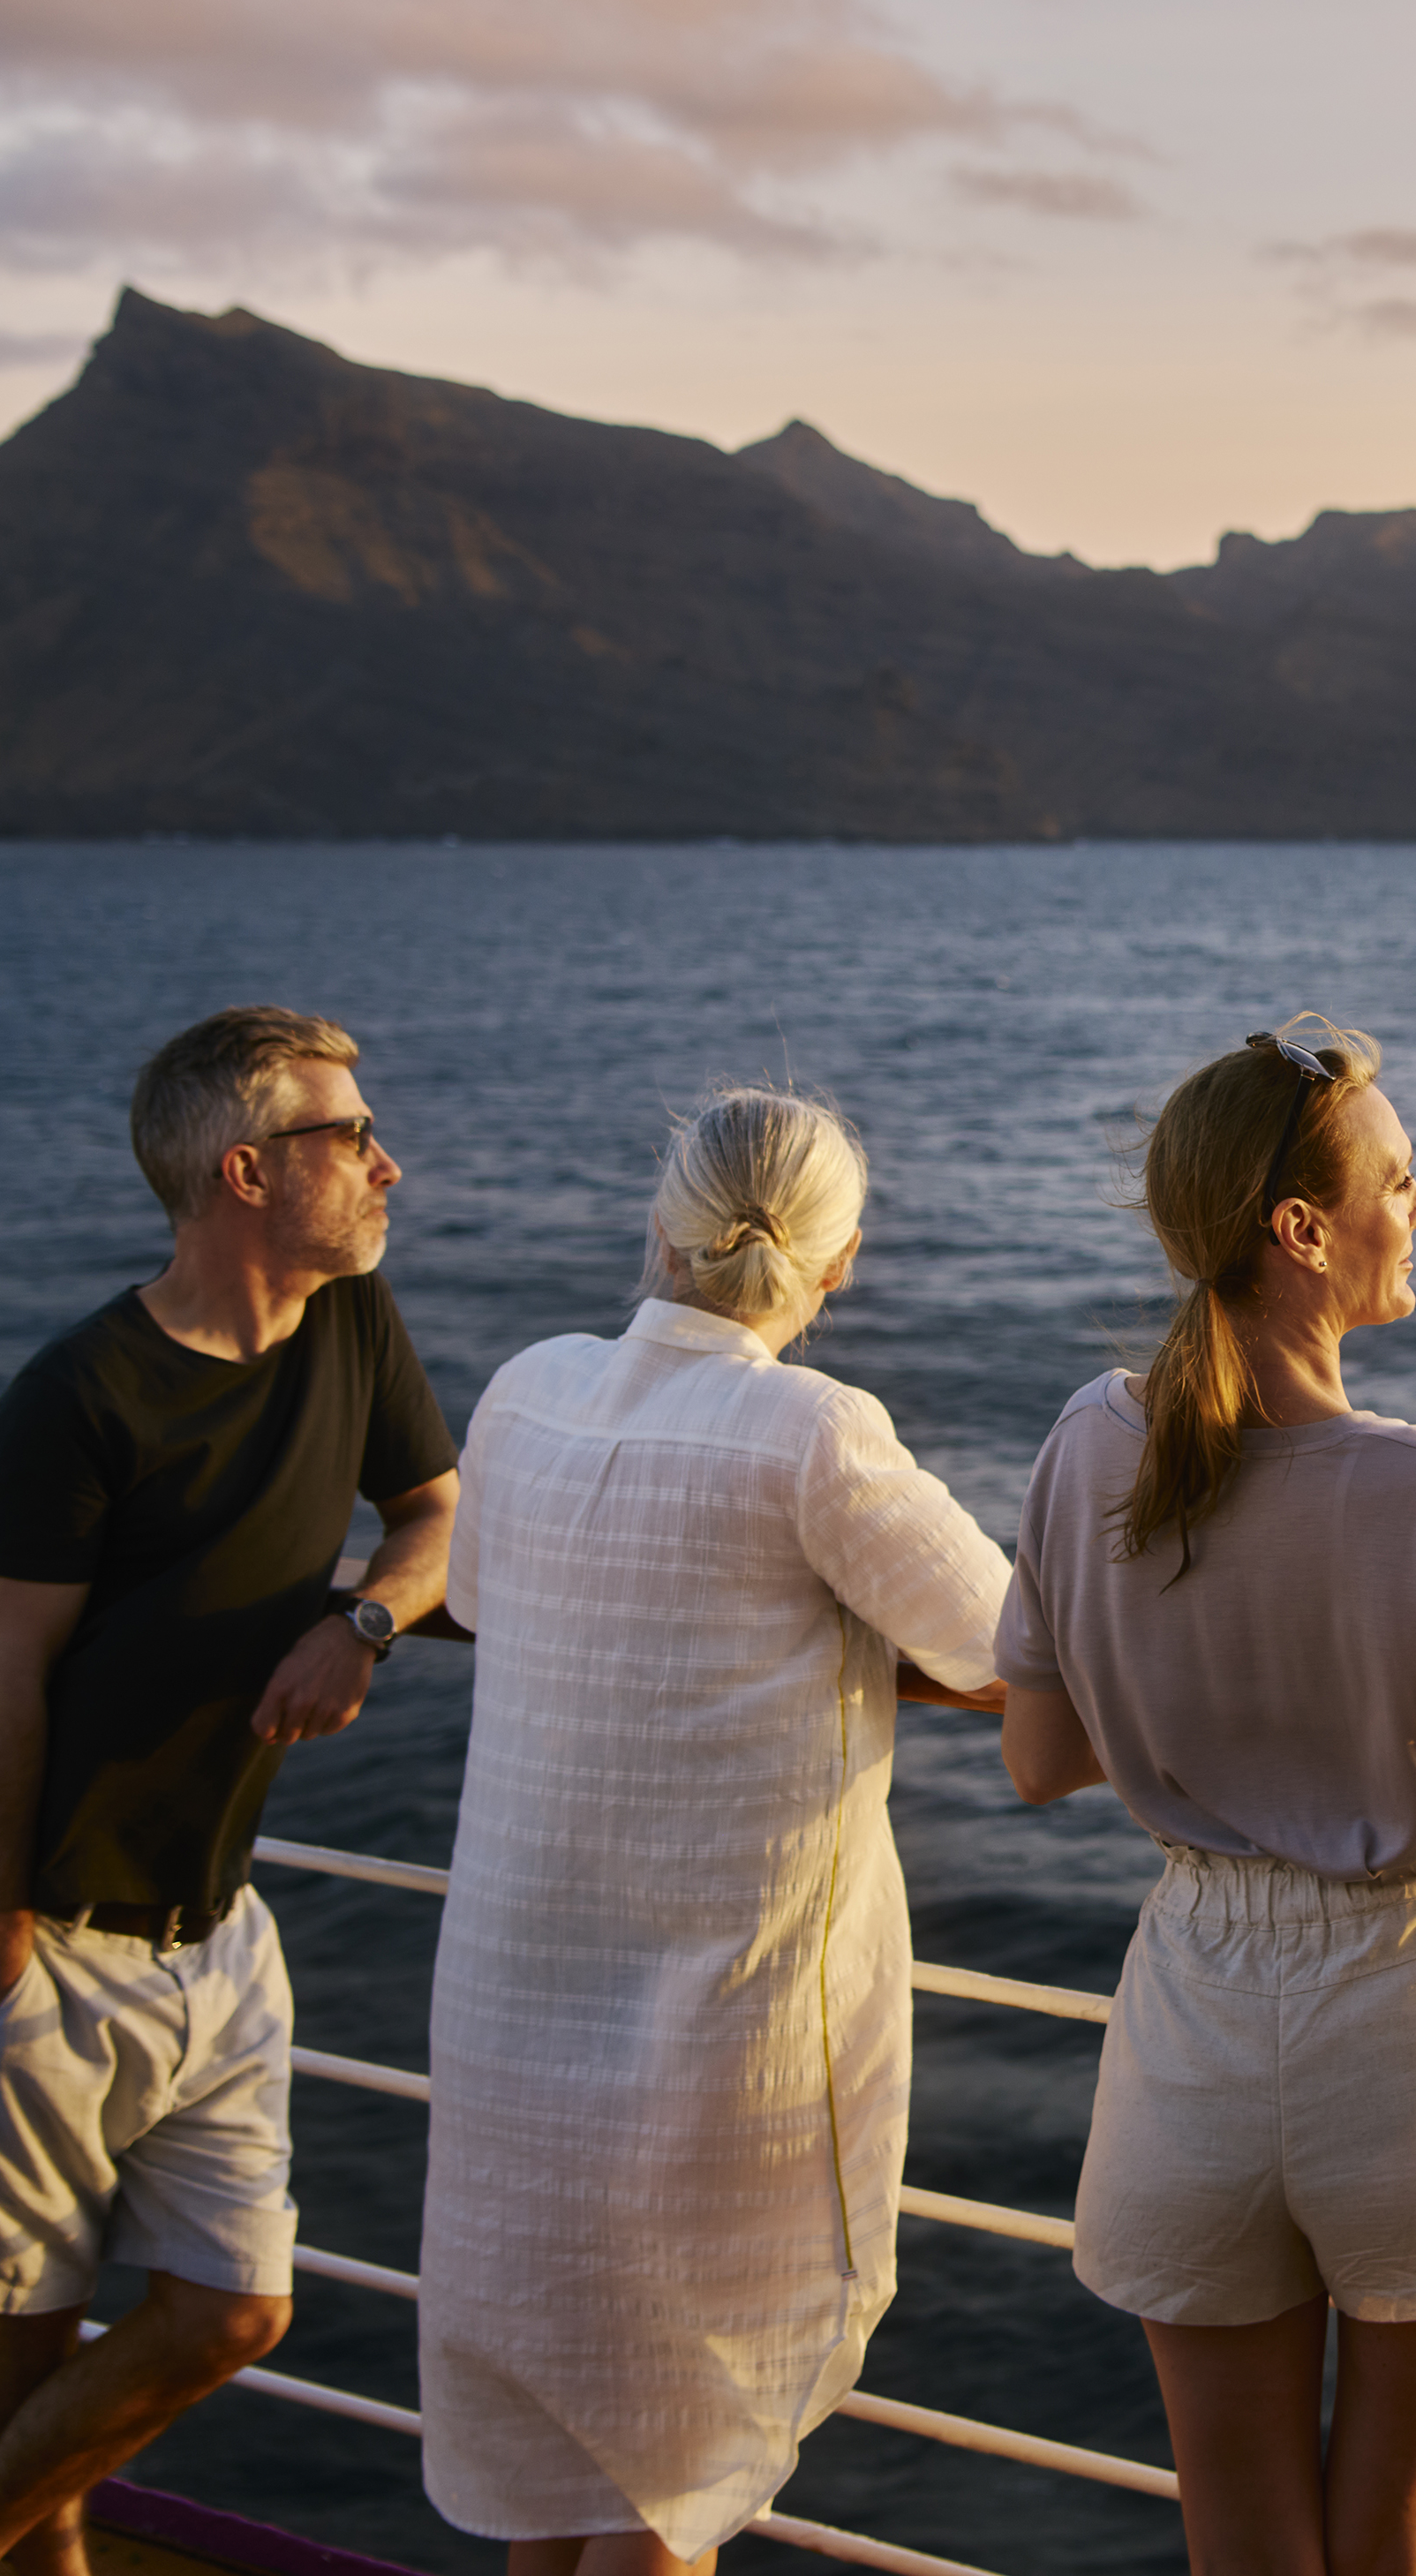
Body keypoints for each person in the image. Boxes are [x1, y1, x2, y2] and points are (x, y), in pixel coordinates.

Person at [997, 1014, 1416, 2576]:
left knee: (1239, 2539)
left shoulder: (1088, 1442)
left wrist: (1208, 1709)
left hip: (1195, 2018)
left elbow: (1039, 1758)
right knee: (1397, 2536)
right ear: (1304, 1232)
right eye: (1400, 1181)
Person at [0, 1007, 461, 2576]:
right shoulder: (75, 1402)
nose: (389, 1162)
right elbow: (2, 1679)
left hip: (213, 1918)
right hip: (43, 1913)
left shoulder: (350, 1321)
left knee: (236, 2307)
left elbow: (435, 1513)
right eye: (352, 1135)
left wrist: (361, 1625)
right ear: (246, 1171)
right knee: (29, 2305)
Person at [418, 1085, 1016, 2576]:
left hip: (517, 2001)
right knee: (674, 2471)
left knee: (562, 2457)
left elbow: (475, 1596)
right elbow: (1007, 1643)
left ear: (662, 1224)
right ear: (842, 1261)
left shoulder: (525, 1390)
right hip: (716, 2031)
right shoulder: (812, 1434)